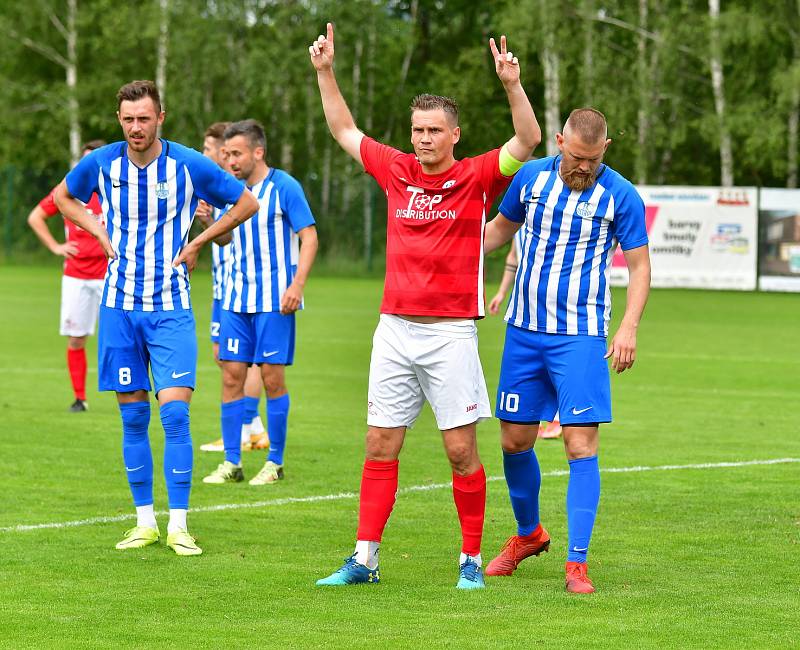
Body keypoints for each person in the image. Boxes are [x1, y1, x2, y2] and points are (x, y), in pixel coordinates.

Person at [309, 23, 540, 589]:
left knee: (461, 449)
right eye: (417, 129)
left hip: (450, 335)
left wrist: (512, 85)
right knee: (379, 443)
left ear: (455, 134)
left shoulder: (477, 176)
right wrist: (325, 72)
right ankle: (364, 559)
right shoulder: (395, 169)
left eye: (434, 130)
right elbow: (342, 127)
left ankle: (468, 561)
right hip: (394, 331)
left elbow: (528, 139)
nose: (423, 139)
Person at [54, 80, 259, 556]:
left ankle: (180, 525)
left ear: (160, 117)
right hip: (120, 309)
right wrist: (96, 227)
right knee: (133, 419)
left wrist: (199, 241)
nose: (135, 127)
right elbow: (64, 197)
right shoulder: (102, 162)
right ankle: (145, 521)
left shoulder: (188, 164)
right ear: (119, 119)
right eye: (127, 119)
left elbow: (246, 202)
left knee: (175, 415)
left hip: (170, 310)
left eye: (144, 118)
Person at [482, 108, 651, 593]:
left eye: (592, 160)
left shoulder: (620, 195)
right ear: (559, 142)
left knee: (580, 445)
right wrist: (450, 248)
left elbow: (640, 268)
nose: (583, 167)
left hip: (581, 337)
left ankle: (577, 563)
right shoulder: (531, 179)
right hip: (523, 332)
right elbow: (497, 232)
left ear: (606, 150)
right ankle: (528, 535)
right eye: (576, 157)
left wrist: (628, 329)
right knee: (514, 441)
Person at [201, 119, 318, 487]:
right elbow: (224, 242)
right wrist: (208, 224)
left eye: (236, 154)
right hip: (236, 299)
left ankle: (275, 461)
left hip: (274, 301)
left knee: (272, 378)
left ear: (258, 152)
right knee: (232, 376)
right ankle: (232, 462)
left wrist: (297, 284)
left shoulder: (284, 187)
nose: (230, 160)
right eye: (227, 154)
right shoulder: (229, 191)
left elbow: (310, 237)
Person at [194, 122, 269, 454]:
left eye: (211, 149)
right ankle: (250, 428)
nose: (206, 154)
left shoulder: (234, 188)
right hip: (222, 286)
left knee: (241, 361)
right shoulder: (218, 187)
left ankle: (243, 428)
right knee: (225, 359)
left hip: (238, 288)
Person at [27, 139, 107, 412]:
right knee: (76, 338)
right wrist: (55, 246)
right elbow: (36, 216)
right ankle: (80, 398)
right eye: (85, 160)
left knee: (124, 337)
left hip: (111, 275)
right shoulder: (69, 189)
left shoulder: (116, 188)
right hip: (77, 275)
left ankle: (132, 393)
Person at [488, 232, 561, 439]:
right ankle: (531, 416)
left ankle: (557, 418)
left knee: (554, 363)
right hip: (524, 307)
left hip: (553, 307)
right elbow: (513, 257)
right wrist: (502, 293)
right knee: (530, 368)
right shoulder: (521, 222)